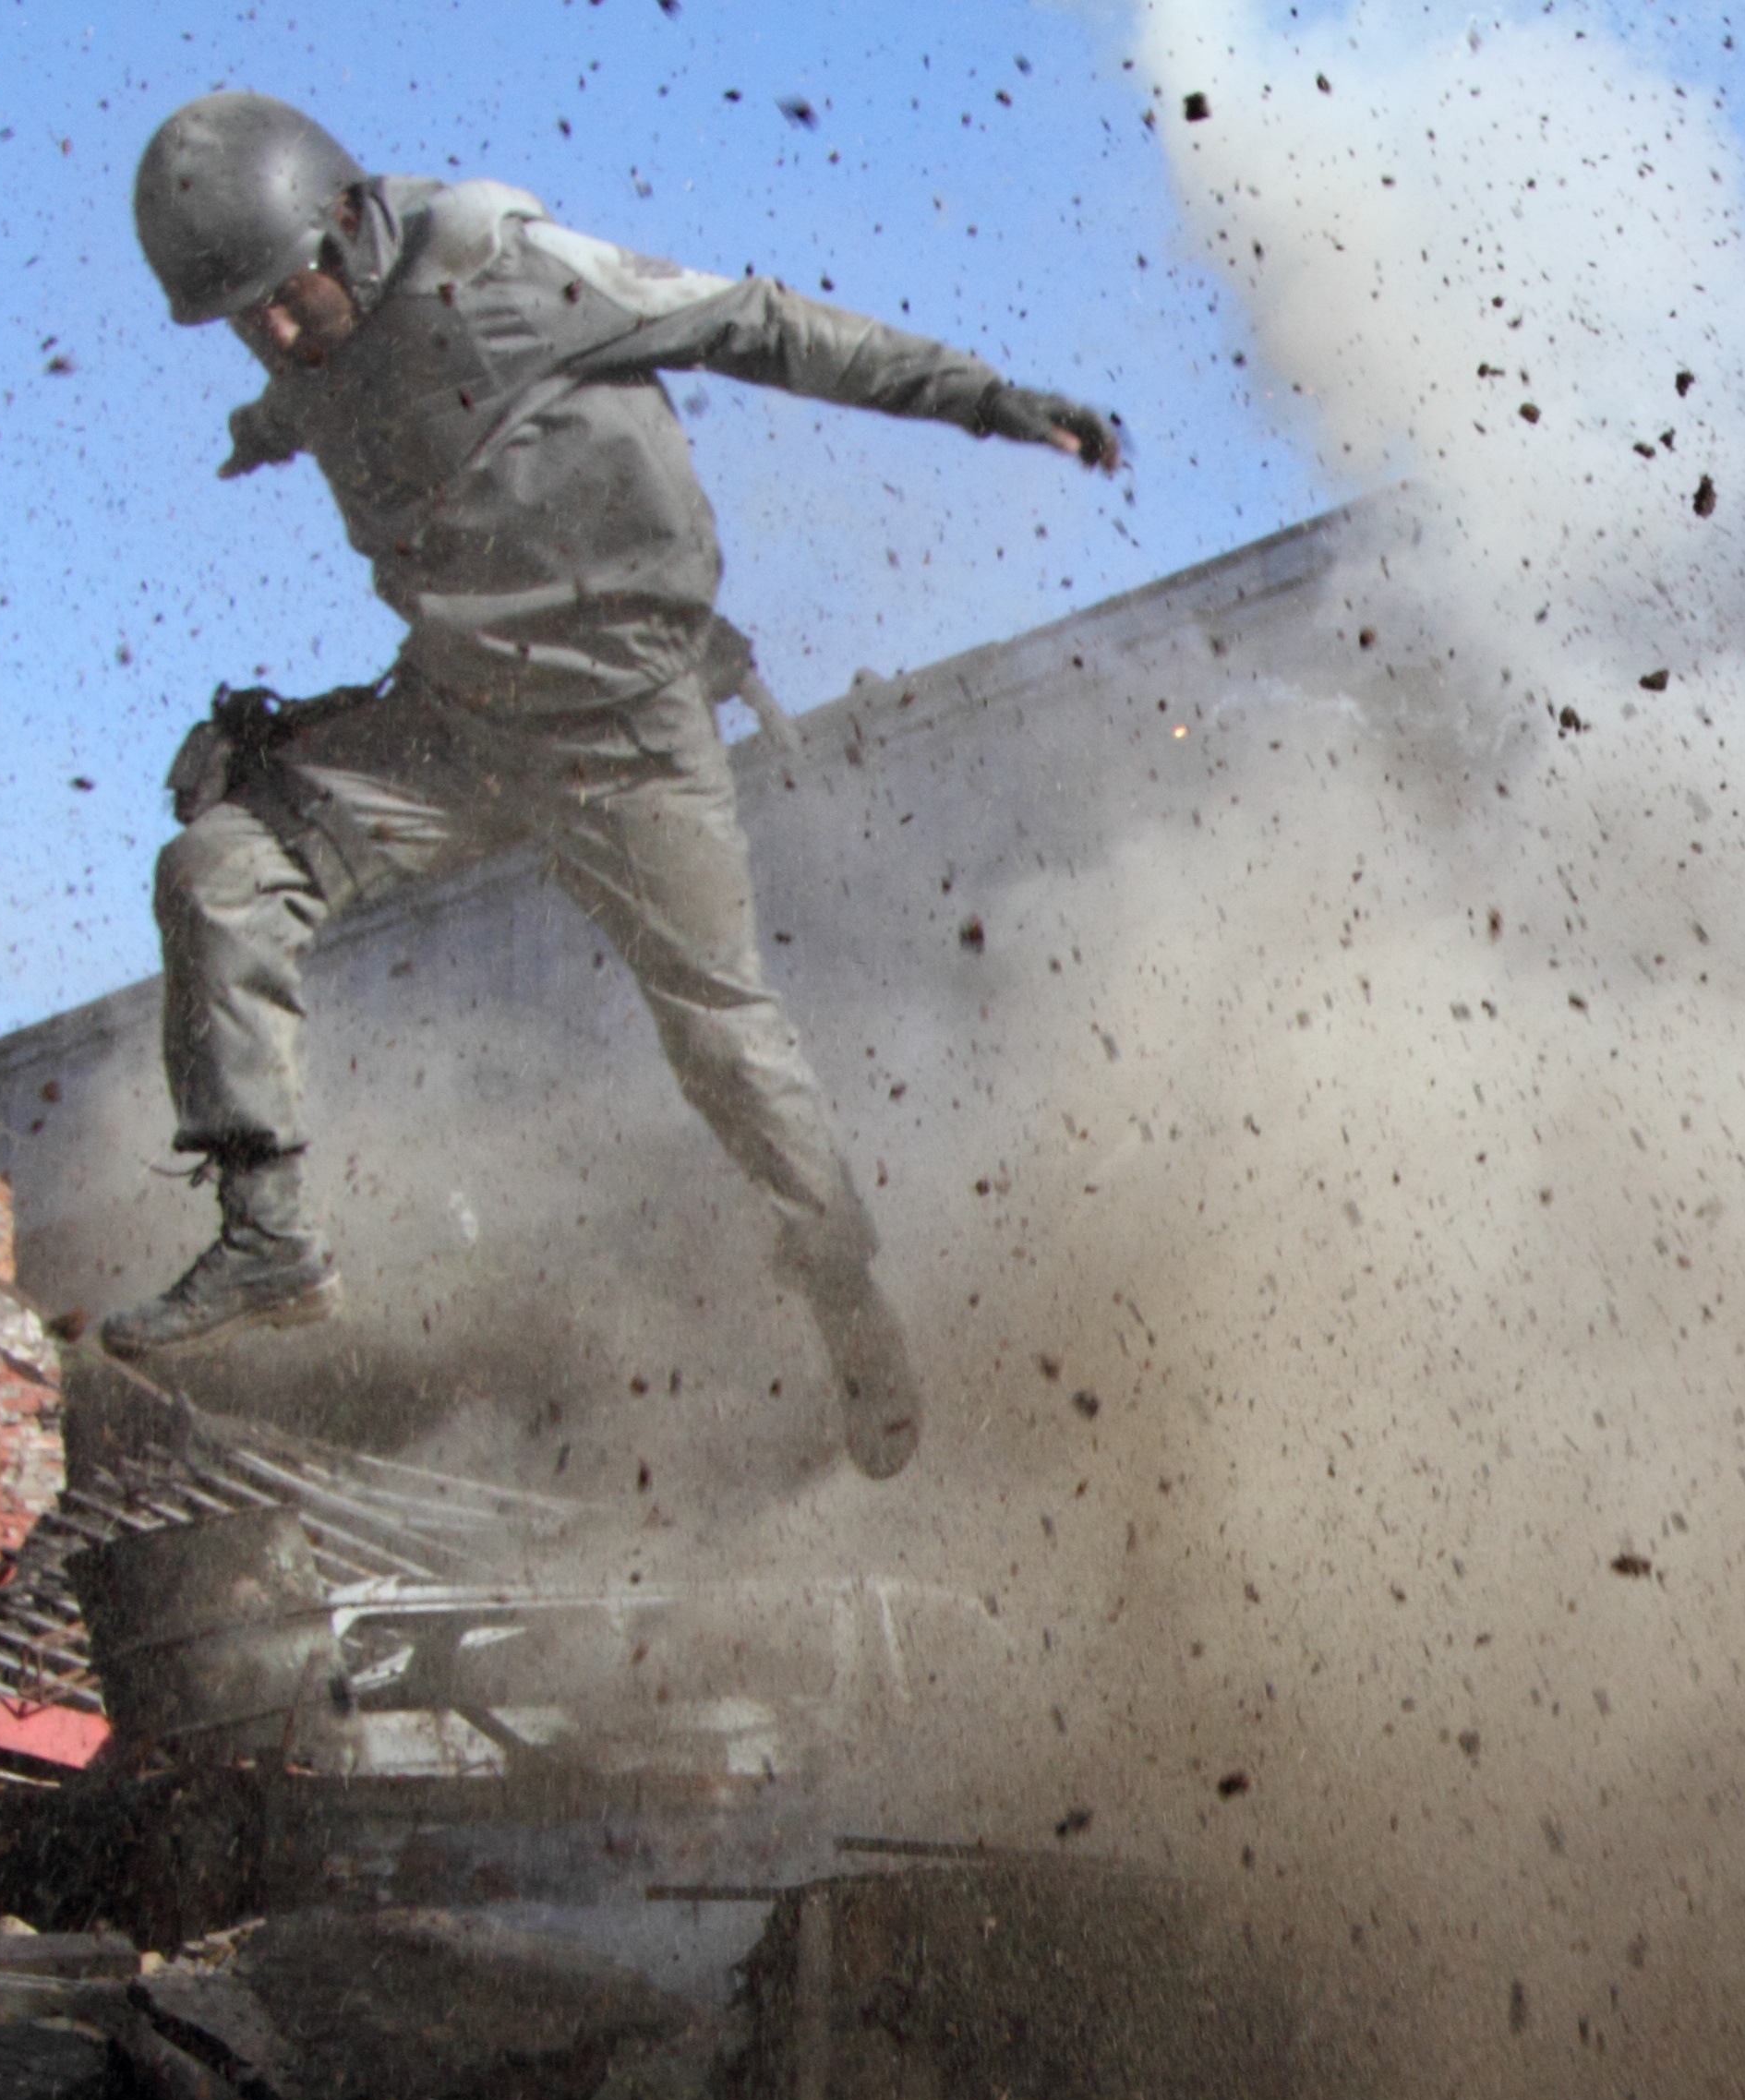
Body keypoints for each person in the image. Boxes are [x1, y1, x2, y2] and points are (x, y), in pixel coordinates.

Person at [106, 92, 1132, 1478]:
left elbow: (760, 325)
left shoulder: (504, 270)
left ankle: (847, 1299)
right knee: (222, 864)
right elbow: (321, 394)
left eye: (284, 299)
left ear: (347, 225)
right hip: (459, 727)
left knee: (720, 1035)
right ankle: (269, 1236)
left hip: (627, 736)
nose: (278, 333)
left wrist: (992, 402)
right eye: (243, 322)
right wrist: (265, 420)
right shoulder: (302, 338)